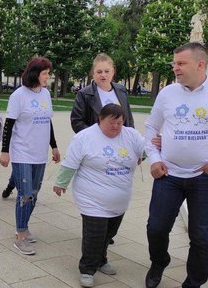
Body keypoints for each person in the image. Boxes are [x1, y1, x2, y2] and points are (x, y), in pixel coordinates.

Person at [143, 43, 208, 288]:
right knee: (156, 228)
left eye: (180, 64)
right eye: (174, 63)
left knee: (202, 237)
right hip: (168, 174)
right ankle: (159, 261)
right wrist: (155, 159)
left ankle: (193, 282)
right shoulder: (167, 93)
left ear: (200, 64)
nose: (175, 68)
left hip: (205, 179)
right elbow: (151, 128)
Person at [52, 104, 146, 287]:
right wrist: (61, 183)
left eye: (120, 123)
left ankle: (101, 259)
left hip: (120, 198)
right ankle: (87, 269)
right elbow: (70, 162)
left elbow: (145, 149)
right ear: (100, 119)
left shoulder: (131, 135)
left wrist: (153, 150)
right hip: (92, 197)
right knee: (95, 234)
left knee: (109, 233)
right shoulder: (85, 137)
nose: (116, 127)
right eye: (112, 122)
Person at [0, 57, 60, 255]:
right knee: (25, 194)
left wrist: (54, 147)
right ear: (35, 74)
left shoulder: (46, 94)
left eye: (48, 73)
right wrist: (5, 151)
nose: (48, 77)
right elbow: (9, 124)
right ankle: (20, 235)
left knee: (34, 193)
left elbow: (47, 122)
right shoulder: (19, 95)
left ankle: (24, 227)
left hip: (39, 154)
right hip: (22, 152)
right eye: (45, 74)